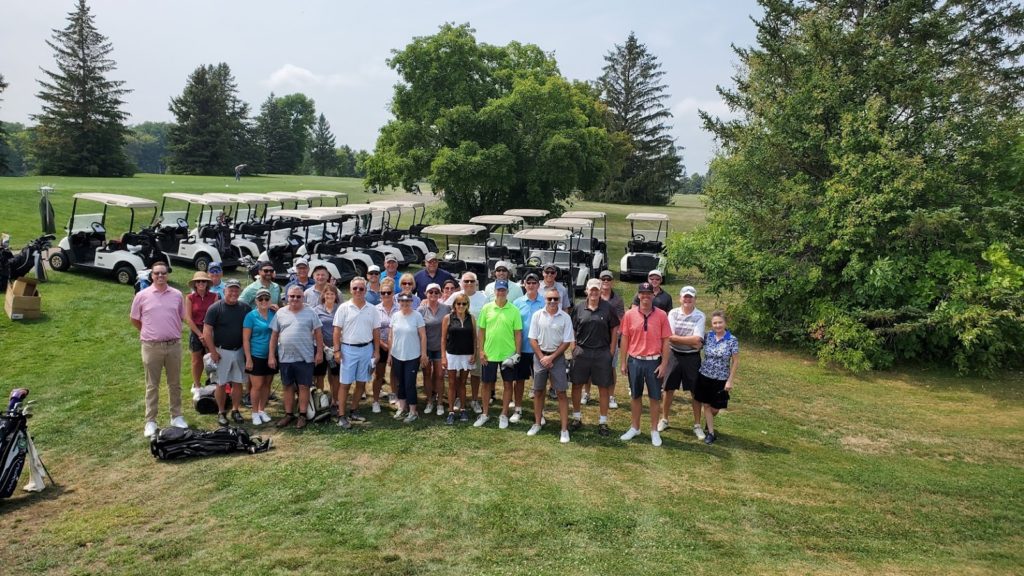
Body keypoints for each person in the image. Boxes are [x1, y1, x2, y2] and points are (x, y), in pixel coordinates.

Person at [130, 261, 189, 437]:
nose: (160, 276)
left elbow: (181, 316)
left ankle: (176, 416)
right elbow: (134, 319)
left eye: (163, 273)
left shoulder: (177, 295)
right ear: (152, 276)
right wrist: (148, 332)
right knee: (152, 386)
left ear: (167, 275)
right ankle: (150, 421)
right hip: (151, 346)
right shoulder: (142, 295)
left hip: (173, 346)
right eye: (157, 273)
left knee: (175, 383)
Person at [619, 282, 671, 447]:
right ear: (638, 295)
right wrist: (623, 362)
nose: (645, 296)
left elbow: (666, 341)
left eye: (648, 293)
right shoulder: (629, 315)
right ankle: (635, 427)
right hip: (634, 360)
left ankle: (654, 430)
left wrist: (664, 364)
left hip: (654, 361)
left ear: (653, 295)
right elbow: (625, 338)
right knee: (635, 396)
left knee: (655, 397)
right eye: (643, 293)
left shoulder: (662, 315)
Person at [569, 278, 620, 437]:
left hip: (602, 353)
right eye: (591, 289)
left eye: (596, 289)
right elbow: (571, 328)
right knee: (577, 385)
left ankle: (603, 421)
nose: (594, 292)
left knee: (603, 387)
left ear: (600, 291)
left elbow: (614, 329)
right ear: (586, 291)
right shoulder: (578, 308)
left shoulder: (608, 308)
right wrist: (573, 347)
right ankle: (577, 418)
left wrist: (611, 350)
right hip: (582, 352)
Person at [268, 285, 324, 429]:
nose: (295, 299)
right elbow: (274, 336)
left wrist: (319, 353)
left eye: (298, 296)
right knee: (287, 386)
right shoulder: (280, 313)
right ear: (287, 297)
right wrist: (271, 356)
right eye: (292, 296)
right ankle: (288, 414)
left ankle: (303, 415)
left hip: (305, 357)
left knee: (304, 386)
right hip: (286, 358)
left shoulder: (311, 312)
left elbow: (318, 334)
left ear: (303, 298)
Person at [332, 276, 381, 430]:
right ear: (351, 290)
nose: (358, 291)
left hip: (366, 349)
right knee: (345, 383)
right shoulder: (344, 308)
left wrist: (377, 351)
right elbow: (336, 331)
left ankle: (354, 410)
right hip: (348, 349)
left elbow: (376, 332)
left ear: (365, 290)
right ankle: (341, 415)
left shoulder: (372, 309)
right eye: (355, 288)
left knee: (361, 382)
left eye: (361, 288)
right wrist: (337, 350)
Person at [203, 278, 252, 426]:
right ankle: (221, 411)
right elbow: (207, 332)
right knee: (221, 383)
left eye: (236, 290)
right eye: (230, 289)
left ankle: (236, 410)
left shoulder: (245, 308)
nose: (233, 292)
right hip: (221, 350)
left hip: (239, 351)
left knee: (238, 382)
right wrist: (213, 352)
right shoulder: (215, 308)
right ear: (224, 291)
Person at [527, 288, 574, 443]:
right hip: (540, 356)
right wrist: (542, 357)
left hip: (558, 357)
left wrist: (552, 357)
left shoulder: (565, 317)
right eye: (550, 299)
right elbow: (532, 339)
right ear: (545, 300)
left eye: (555, 299)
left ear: (559, 300)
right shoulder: (537, 315)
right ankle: (537, 422)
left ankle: (564, 429)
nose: (553, 302)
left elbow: (567, 341)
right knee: (538, 391)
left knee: (561, 392)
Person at [474, 280, 523, 428]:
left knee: (508, 384)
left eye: (503, 290)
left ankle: (504, 414)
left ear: (507, 292)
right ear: (494, 292)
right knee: (487, 384)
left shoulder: (514, 310)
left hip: (507, 354)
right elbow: (481, 331)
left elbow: (518, 334)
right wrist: (481, 351)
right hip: (489, 354)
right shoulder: (487, 308)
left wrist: (517, 353)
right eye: (498, 290)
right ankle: (485, 414)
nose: (501, 293)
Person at [661, 286, 707, 439]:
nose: (687, 300)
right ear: (680, 298)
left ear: (695, 299)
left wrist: (680, 339)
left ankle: (697, 425)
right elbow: (670, 336)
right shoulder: (673, 313)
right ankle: (665, 419)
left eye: (690, 297)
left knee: (696, 391)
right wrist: (691, 341)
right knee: (668, 389)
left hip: (692, 357)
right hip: (674, 355)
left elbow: (698, 340)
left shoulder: (700, 315)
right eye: (685, 297)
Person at [444, 272, 489, 414]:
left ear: (476, 283)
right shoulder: (455, 296)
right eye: (466, 281)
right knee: (457, 375)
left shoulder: (483, 298)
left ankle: (475, 400)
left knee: (476, 374)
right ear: (461, 283)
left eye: (472, 281)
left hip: (476, 342)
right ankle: (458, 398)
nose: (469, 284)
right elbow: (444, 308)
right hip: (457, 344)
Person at [694, 311, 738, 445]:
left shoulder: (732, 340)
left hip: (721, 378)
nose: (717, 325)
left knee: (715, 408)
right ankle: (711, 433)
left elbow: (735, 361)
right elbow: (697, 346)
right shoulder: (708, 336)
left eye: (720, 322)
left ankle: (709, 421)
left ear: (725, 323)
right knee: (706, 405)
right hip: (705, 375)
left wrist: (730, 380)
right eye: (715, 323)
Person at [389, 293, 427, 423]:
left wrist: (423, 353)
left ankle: (413, 411)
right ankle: (402, 407)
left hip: (412, 355)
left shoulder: (417, 316)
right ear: (398, 302)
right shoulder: (395, 316)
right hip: (397, 355)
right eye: (402, 302)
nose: (405, 305)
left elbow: (423, 336)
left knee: (410, 383)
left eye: (407, 302)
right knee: (401, 383)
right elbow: (391, 336)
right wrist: (390, 354)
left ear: (411, 302)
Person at [243, 287, 276, 425]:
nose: (264, 301)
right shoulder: (250, 316)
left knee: (267, 384)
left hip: (272, 355)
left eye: (266, 299)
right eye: (260, 299)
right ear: (256, 301)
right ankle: (255, 412)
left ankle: (262, 410)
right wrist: (248, 358)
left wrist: (272, 355)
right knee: (257, 385)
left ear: (270, 300)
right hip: (256, 355)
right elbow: (245, 339)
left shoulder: (273, 314)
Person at [512, 273, 544, 416]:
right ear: (524, 285)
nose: (531, 285)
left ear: (538, 285)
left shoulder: (545, 302)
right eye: (528, 283)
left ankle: (539, 412)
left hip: (539, 349)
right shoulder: (517, 303)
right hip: (521, 348)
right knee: (519, 380)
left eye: (534, 283)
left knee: (539, 382)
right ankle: (517, 408)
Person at [441, 293, 476, 424]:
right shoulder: (448, 318)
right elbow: (443, 339)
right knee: (451, 383)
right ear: (454, 305)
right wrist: (443, 356)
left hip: (466, 354)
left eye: (464, 303)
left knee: (462, 383)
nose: (461, 306)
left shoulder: (471, 318)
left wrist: (474, 354)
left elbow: (474, 338)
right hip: (452, 354)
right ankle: (450, 411)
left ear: (467, 305)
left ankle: (462, 409)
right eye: (458, 303)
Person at [418, 283, 451, 416]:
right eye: (430, 292)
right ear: (426, 294)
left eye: (436, 292)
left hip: (440, 348)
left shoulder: (446, 309)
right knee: (426, 374)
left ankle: (440, 403)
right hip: (426, 348)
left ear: (440, 294)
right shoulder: (420, 310)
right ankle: (429, 401)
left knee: (439, 375)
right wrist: (422, 352)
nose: (433, 294)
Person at [184, 271, 218, 399]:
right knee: (196, 360)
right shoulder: (190, 298)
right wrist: (200, 335)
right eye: (198, 282)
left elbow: (216, 315)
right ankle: (197, 386)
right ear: (195, 284)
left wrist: (207, 334)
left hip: (210, 329)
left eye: (203, 281)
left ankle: (214, 384)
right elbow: (188, 318)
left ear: (207, 283)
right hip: (196, 330)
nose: (201, 283)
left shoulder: (214, 296)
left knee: (212, 358)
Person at [596, 269, 625, 409]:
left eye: (608, 279)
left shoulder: (617, 300)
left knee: (611, 367)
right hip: (595, 338)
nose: (605, 282)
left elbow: (620, 321)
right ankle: (587, 393)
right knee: (591, 367)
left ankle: (611, 396)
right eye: (603, 279)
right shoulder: (594, 296)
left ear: (612, 281)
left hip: (611, 339)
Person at [313, 283, 342, 416]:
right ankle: (320, 401)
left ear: (336, 296)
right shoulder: (316, 310)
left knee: (335, 375)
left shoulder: (341, 309)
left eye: (332, 294)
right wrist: (323, 347)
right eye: (327, 294)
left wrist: (336, 347)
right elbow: (314, 330)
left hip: (336, 348)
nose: (329, 296)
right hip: (320, 347)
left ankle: (334, 400)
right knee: (320, 375)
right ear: (323, 295)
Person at [370, 279, 396, 413]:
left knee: (395, 374)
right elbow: (373, 330)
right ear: (380, 294)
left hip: (396, 346)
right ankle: (375, 401)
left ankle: (395, 395)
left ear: (393, 293)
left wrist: (391, 347)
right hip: (380, 345)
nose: (386, 295)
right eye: (383, 293)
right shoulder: (375, 310)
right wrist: (383, 345)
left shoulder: (399, 308)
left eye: (388, 292)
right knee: (379, 374)